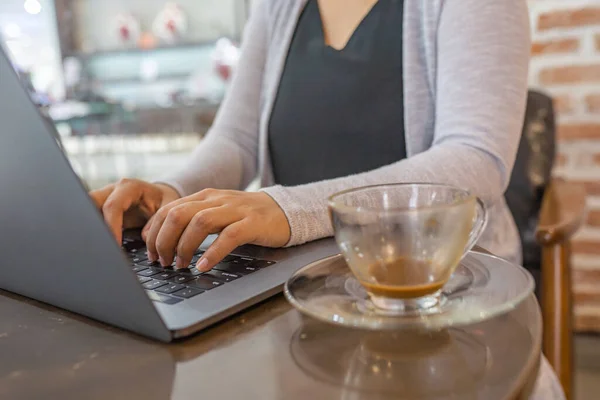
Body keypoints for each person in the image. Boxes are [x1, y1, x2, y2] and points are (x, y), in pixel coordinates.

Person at [90, 1, 564, 398]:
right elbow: (236, 140)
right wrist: (168, 193)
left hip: (442, 307)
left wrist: (289, 209)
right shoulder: (277, 6)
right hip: (292, 305)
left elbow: (475, 158)